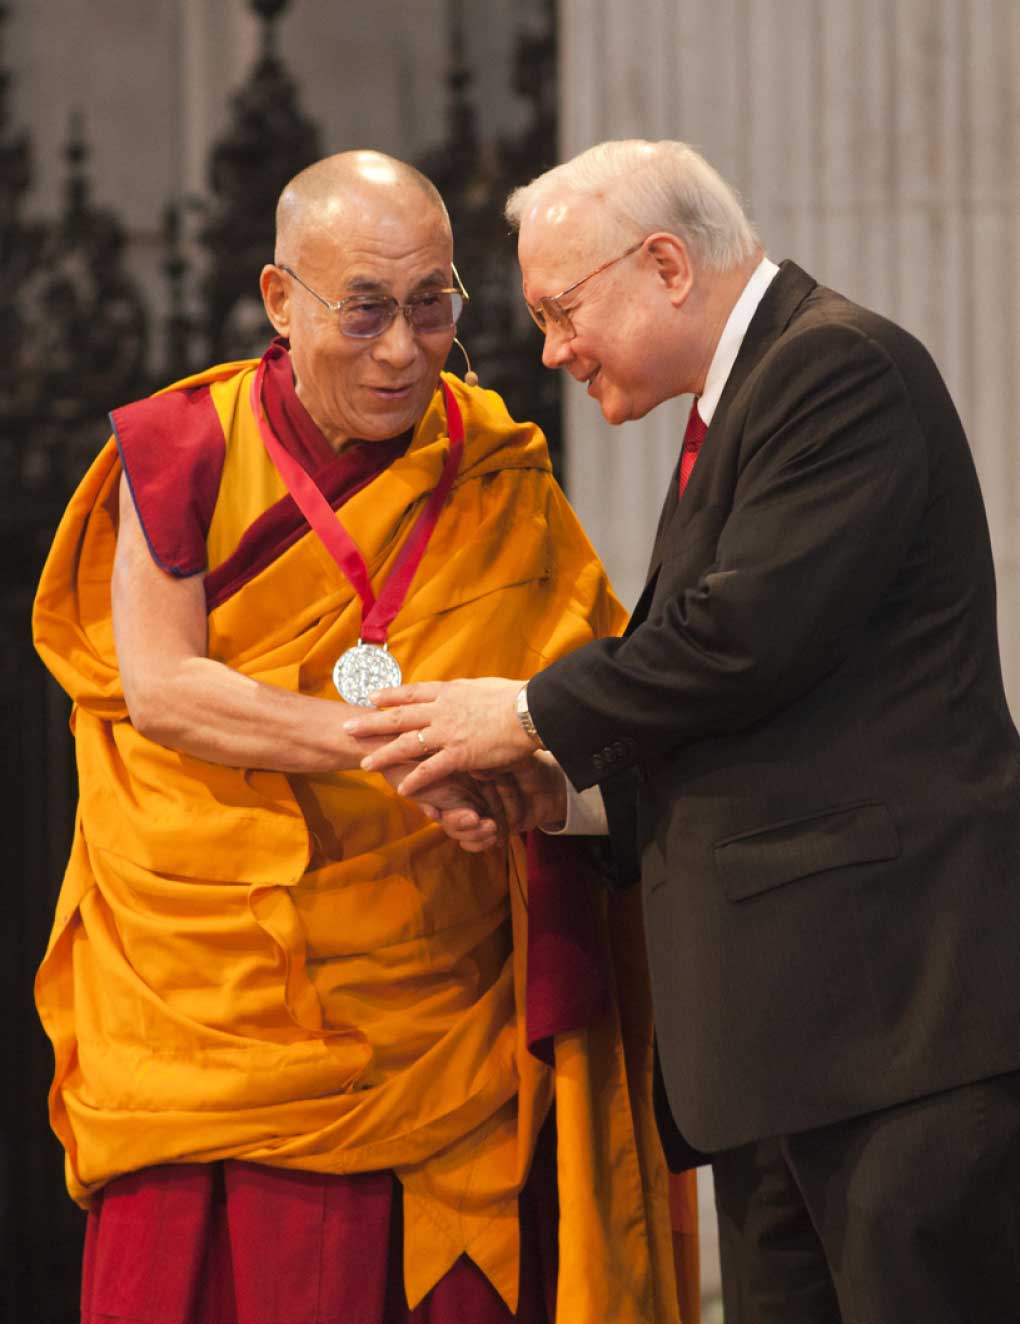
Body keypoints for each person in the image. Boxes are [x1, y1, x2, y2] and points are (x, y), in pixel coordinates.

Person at [348, 139, 1020, 1323]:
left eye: (562, 309)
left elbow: (736, 641)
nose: (552, 348)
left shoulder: (838, 370)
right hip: (788, 1054)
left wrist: (515, 710)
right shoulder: (742, 404)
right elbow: (759, 718)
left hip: (896, 1032)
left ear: (664, 263)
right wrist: (559, 798)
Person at [32, 150, 698, 1324]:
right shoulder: (186, 447)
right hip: (218, 1006)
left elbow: (592, 714)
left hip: (447, 1006)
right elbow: (163, 687)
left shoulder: (497, 474)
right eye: (367, 309)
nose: (402, 348)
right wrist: (396, 743)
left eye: (433, 304)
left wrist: (517, 778)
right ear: (280, 300)